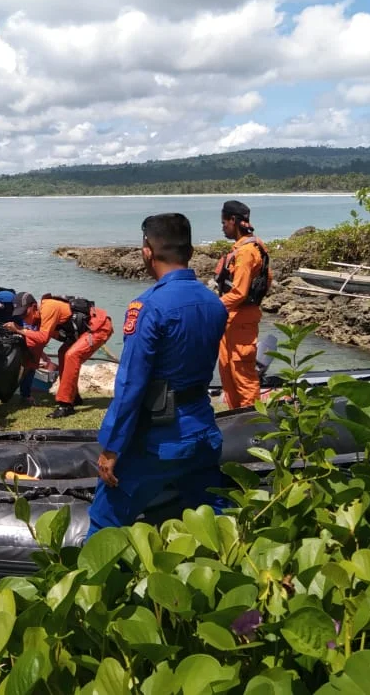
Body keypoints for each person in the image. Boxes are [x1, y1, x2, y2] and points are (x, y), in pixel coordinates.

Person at [87, 214, 228, 538]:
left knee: (104, 521)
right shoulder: (215, 304)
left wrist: (111, 447)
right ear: (190, 251)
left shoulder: (148, 307)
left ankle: (94, 588)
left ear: (147, 251)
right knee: (215, 520)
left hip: (160, 439)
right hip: (203, 430)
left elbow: (131, 385)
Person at [7, 292, 113, 419]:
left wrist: (20, 330)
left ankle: (66, 404)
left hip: (98, 327)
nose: (24, 319)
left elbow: (43, 338)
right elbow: (36, 343)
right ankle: (73, 396)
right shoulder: (38, 317)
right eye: (20, 316)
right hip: (82, 332)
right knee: (63, 353)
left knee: (71, 355)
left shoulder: (48, 308)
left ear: (34, 307)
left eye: (25, 314)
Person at [215, 200, 271, 409]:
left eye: (224, 222)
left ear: (233, 220)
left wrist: (212, 307)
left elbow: (239, 292)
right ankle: (236, 420)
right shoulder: (247, 248)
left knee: (243, 377)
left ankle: (253, 425)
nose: (223, 227)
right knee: (228, 374)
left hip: (241, 321)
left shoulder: (247, 252)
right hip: (231, 320)